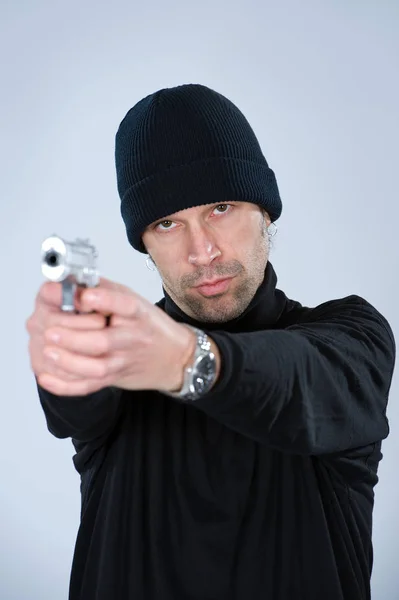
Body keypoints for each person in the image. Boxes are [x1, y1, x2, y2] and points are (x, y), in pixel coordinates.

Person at [27, 84, 396, 600]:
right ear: (145, 244)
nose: (201, 250)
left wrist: (185, 360)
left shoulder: (350, 335)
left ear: (266, 213)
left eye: (220, 207)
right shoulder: (121, 351)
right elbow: (71, 411)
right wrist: (67, 357)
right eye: (168, 222)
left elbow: (304, 383)